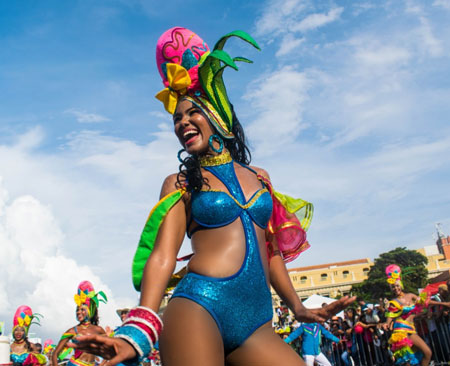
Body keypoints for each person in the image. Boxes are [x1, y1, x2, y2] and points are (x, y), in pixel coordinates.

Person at [69, 26, 354, 366]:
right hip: (199, 308)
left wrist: (298, 307)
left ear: (216, 113)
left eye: (192, 113)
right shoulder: (179, 182)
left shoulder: (260, 178)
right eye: (176, 119)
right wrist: (140, 328)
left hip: (256, 322)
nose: (182, 123)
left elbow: (272, 250)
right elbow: (162, 256)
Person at [384, 264, 450, 366]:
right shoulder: (393, 302)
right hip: (400, 332)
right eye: (393, 287)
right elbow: (390, 316)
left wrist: (443, 304)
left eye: (397, 285)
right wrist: (386, 324)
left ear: (400, 285)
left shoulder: (410, 296)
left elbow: (425, 302)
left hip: (411, 330)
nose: (395, 288)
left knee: (427, 353)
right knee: (407, 361)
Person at [52, 281, 107, 366]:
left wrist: (102, 364)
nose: (78, 312)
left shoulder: (98, 330)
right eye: (77, 310)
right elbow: (55, 354)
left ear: (89, 310)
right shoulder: (72, 331)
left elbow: (110, 349)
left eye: (82, 310)